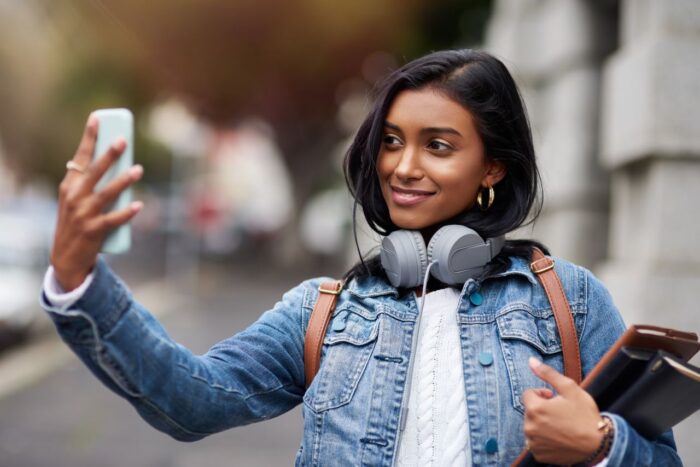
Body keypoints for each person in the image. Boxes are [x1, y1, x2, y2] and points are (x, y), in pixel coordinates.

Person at [42, 49, 681, 466]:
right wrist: (77, 281)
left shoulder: (566, 301)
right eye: (393, 141)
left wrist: (599, 446)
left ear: (491, 167)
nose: (403, 166)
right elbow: (190, 401)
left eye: (438, 145)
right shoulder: (324, 312)